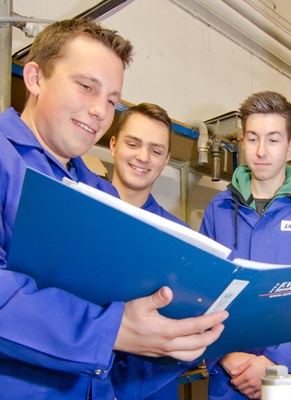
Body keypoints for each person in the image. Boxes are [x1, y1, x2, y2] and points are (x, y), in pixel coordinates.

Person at [0, 18, 227, 400]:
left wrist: (175, 341)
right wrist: (110, 330)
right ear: (35, 78)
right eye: (87, 87)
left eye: (111, 100)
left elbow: (121, 328)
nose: (100, 111)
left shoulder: (100, 192)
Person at [200, 91, 291, 399]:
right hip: (234, 379)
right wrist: (226, 356)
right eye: (253, 139)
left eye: (273, 139)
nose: (262, 151)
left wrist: (277, 363)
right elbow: (202, 291)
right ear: (241, 143)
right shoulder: (220, 208)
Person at [108, 102, 194, 399]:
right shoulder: (78, 211)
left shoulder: (183, 241)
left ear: (166, 159)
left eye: (156, 151)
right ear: (113, 145)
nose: (143, 157)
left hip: (148, 391)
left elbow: (190, 333)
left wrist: (119, 388)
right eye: (133, 144)